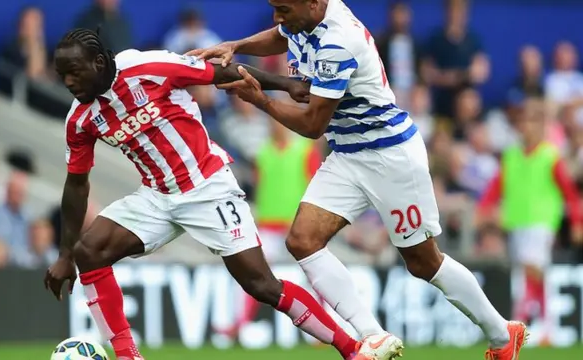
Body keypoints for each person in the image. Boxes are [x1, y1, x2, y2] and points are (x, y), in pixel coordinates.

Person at [187, 0, 526, 359]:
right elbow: (281, 35)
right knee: (303, 240)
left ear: (314, 4)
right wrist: (237, 46)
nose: (278, 18)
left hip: (390, 155)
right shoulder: (310, 15)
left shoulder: (339, 42)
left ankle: (502, 334)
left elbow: (312, 125)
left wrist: (262, 101)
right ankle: (373, 336)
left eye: (284, 9)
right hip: (349, 153)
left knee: (423, 262)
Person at [44, 28, 359, 360]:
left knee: (262, 285)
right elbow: (77, 184)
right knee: (89, 252)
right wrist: (65, 255)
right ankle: (127, 355)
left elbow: (220, 72)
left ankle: (351, 348)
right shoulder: (80, 120)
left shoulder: (147, 67)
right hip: (157, 196)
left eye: (74, 72)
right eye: (62, 75)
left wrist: (286, 85)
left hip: (209, 187)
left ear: (98, 62)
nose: (67, 82)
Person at [478, 97, 583, 345]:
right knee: (530, 274)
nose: (527, 127)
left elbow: (569, 192)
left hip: (542, 221)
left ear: (540, 126)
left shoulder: (550, 156)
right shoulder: (512, 155)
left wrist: (577, 221)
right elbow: (497, 185)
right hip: (516, 222)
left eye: (532, 122)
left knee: (531, 269)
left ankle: (523, 323)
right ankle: (542, 327)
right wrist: (484, 207)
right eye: (523, 122)